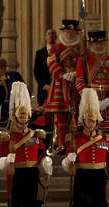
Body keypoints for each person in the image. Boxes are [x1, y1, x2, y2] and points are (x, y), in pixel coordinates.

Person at [0, 81, 51, 207]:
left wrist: (45, 162)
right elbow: (0, 160)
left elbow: (41, 152)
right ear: (15, 116)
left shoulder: (35, 135)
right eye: (21, 116)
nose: (24, 119)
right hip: (16, 175)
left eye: (26, 116)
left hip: (31, 175)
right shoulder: (8, 136)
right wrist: (7, 160)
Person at [44, 19, 82, 153]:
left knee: (77, 114)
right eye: (67, 31)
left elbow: (86, 63)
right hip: (61, 83)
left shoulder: (82, 48)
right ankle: (62, 144)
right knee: (61, 115)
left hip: (78, 83)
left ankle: (76, 143)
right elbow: (51, 63)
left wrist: (78, 73)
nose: (69, 34)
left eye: (72, 32)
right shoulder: (56, 48)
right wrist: (62, 74)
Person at [75, 30, 109, 134]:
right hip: (89, 98)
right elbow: (79, 81)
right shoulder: (83, 60)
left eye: (101, 43)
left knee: (108, 134)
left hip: (107, 99)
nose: (99, 46)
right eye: (96, 43)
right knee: (89, 130)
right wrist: (88, 98)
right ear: (90, 44)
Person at [34, 29, 55, 107]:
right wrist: (44, 85)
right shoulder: (39, 53)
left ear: (56, 37)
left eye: (53, 34)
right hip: (44, 89)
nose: (51, 36)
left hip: (57, 88)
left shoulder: (60, 51)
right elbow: (37, 72)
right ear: (45, 37)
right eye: (49, 34)